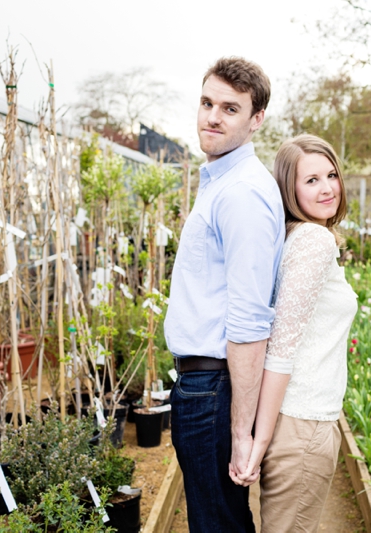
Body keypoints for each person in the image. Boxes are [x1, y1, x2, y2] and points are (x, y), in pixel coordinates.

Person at [164, 57, 284, 533]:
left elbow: (251, 320)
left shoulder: (241, 194)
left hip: (214, 392)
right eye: (207, 103)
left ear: (255, 121)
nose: (212, 116)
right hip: (204, 389)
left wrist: (240, 432)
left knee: (219, 525)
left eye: (230, 109)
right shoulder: (219, 183)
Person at [232, 134, 358, 532]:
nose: (327, 188)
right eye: (311, 180)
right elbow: (281, 346)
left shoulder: (294, 238)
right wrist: (260, 441)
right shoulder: (313, 242)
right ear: (289, 188)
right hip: (303, 425)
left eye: (331, 175)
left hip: (299, 421)